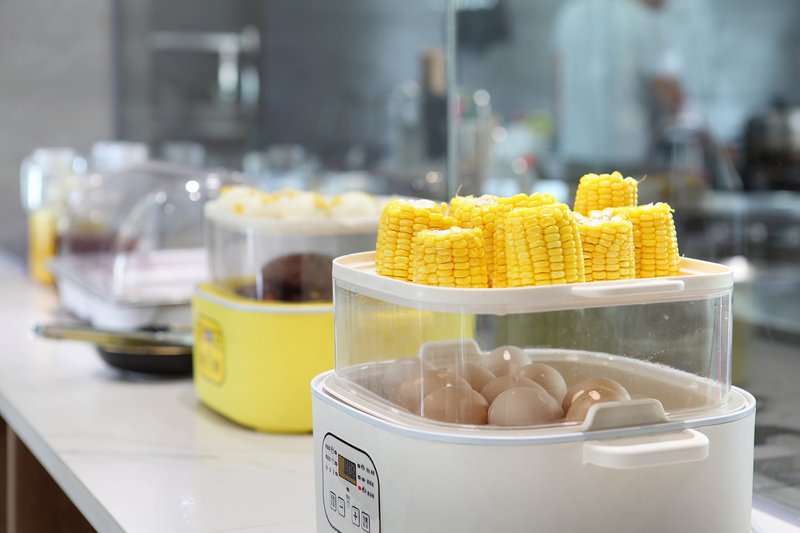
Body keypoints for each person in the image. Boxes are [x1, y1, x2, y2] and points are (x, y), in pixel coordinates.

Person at [551, 0, 683, 185]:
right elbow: (668, 92)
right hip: (627, 157)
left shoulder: (569, 15)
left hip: (575, 153)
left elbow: (558, 82)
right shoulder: (642, 21)